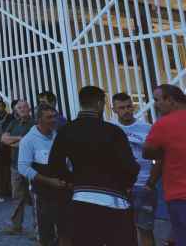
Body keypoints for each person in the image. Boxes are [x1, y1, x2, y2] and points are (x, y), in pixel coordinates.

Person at [49, 86, 139, 245]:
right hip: (114, 200)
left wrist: (73, 180)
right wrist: (125, 184)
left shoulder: (66, 130)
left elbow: (54, 165)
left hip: (81, 199)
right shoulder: (113, 131)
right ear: (99, 104)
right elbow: (130, 166)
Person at [18, 104, 72, 246]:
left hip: (63, 192)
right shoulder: (28, 140)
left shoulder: (59, 136)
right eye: (49, 117)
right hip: (42, 194)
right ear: (39, 120)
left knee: (66, 230)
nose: (54, 120)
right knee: (45, 233)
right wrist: (49, 181)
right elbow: (23, 168)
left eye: (55, 116)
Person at [112, 92, 161, 246]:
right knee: (122, 231)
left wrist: (150, 184)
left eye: (129, 107)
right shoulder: (110, 129)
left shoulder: (147, 128)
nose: (126, 110)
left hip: (143, 185)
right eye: (122, 108)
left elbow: (159, 156)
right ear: (114, 110)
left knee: (145, 230)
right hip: (119, 188)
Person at [143, 84, 186, 246]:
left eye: (157, 99)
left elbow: (147, 152)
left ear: (171, 100)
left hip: (179, 196)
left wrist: (165, 152)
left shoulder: (164, 124)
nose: (155, 104)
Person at [1, 100, 35, 235]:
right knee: (17, 197)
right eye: (18, 108)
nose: (21, 109)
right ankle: (16, 225)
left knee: (34, 198)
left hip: (31, 166)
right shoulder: (13, 123)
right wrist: (21, 138)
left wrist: (15, 141)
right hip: (15, 165)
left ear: (29, 108)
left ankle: (38, 228)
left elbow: (30, 143)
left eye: (24, 107)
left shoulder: (34, 124)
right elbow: (4, 139)